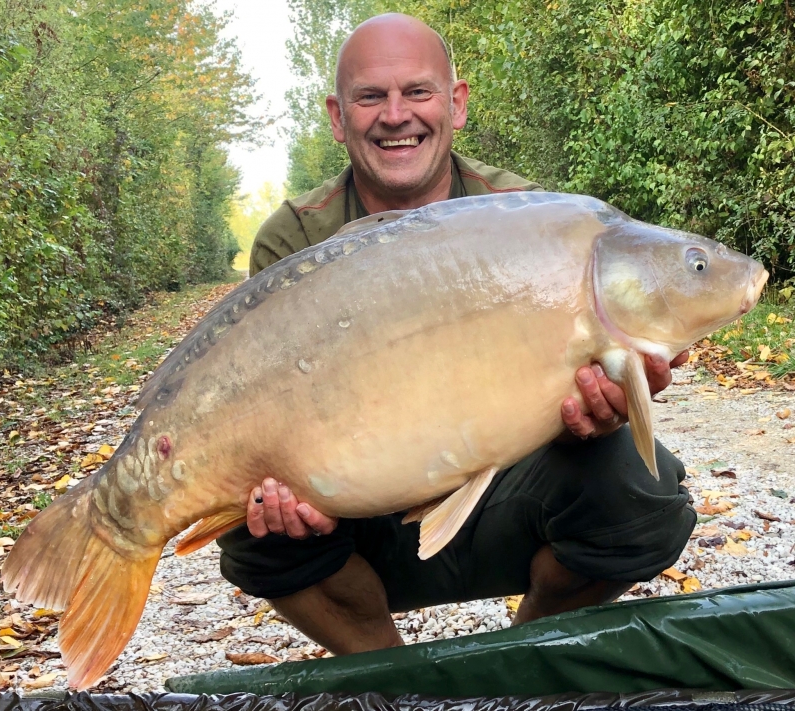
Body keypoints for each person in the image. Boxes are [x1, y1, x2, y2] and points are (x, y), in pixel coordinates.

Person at [217, 13, 694, 655]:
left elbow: (577, 391)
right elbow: (266, 412)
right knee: (257, 532)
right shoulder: (295, 239)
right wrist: (287, 485)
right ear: (337, 116)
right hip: (362, 509)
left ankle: (520, 660)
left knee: (643, 489)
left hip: (501, 495)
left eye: (417, 92)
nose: (395, 114)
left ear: (455, 102)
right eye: (370, 97)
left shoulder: (529, 217)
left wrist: (602, 411)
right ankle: (391, 679)